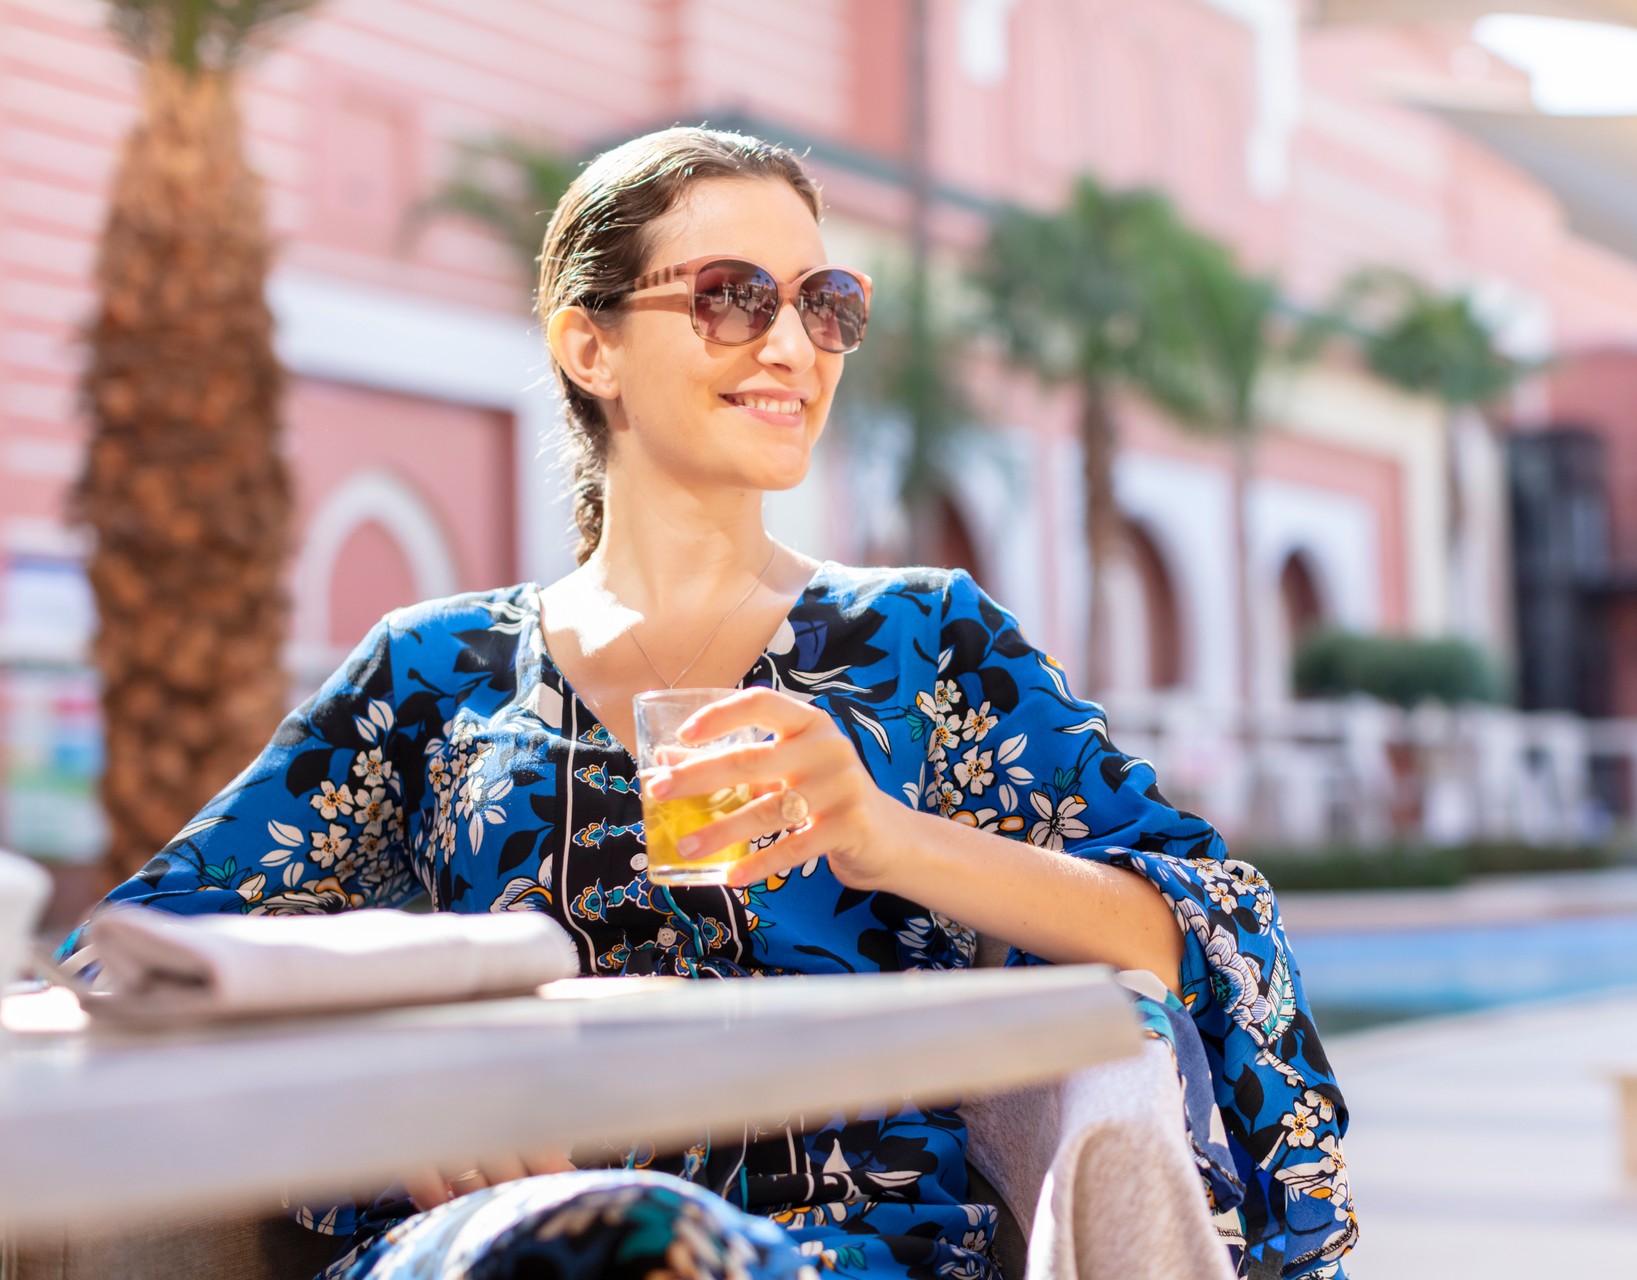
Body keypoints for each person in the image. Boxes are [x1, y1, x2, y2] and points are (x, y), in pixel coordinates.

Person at [60, 127, 1354, 1280]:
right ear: (591, 344)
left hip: (856, 1248)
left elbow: (1195, 931)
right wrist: (397, 1100)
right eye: (733, 298)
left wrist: (886, 833)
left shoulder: (921, 641)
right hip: (504, 1237)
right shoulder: (432, 673)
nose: (791, 346)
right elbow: (146, 960)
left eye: (825, 303)